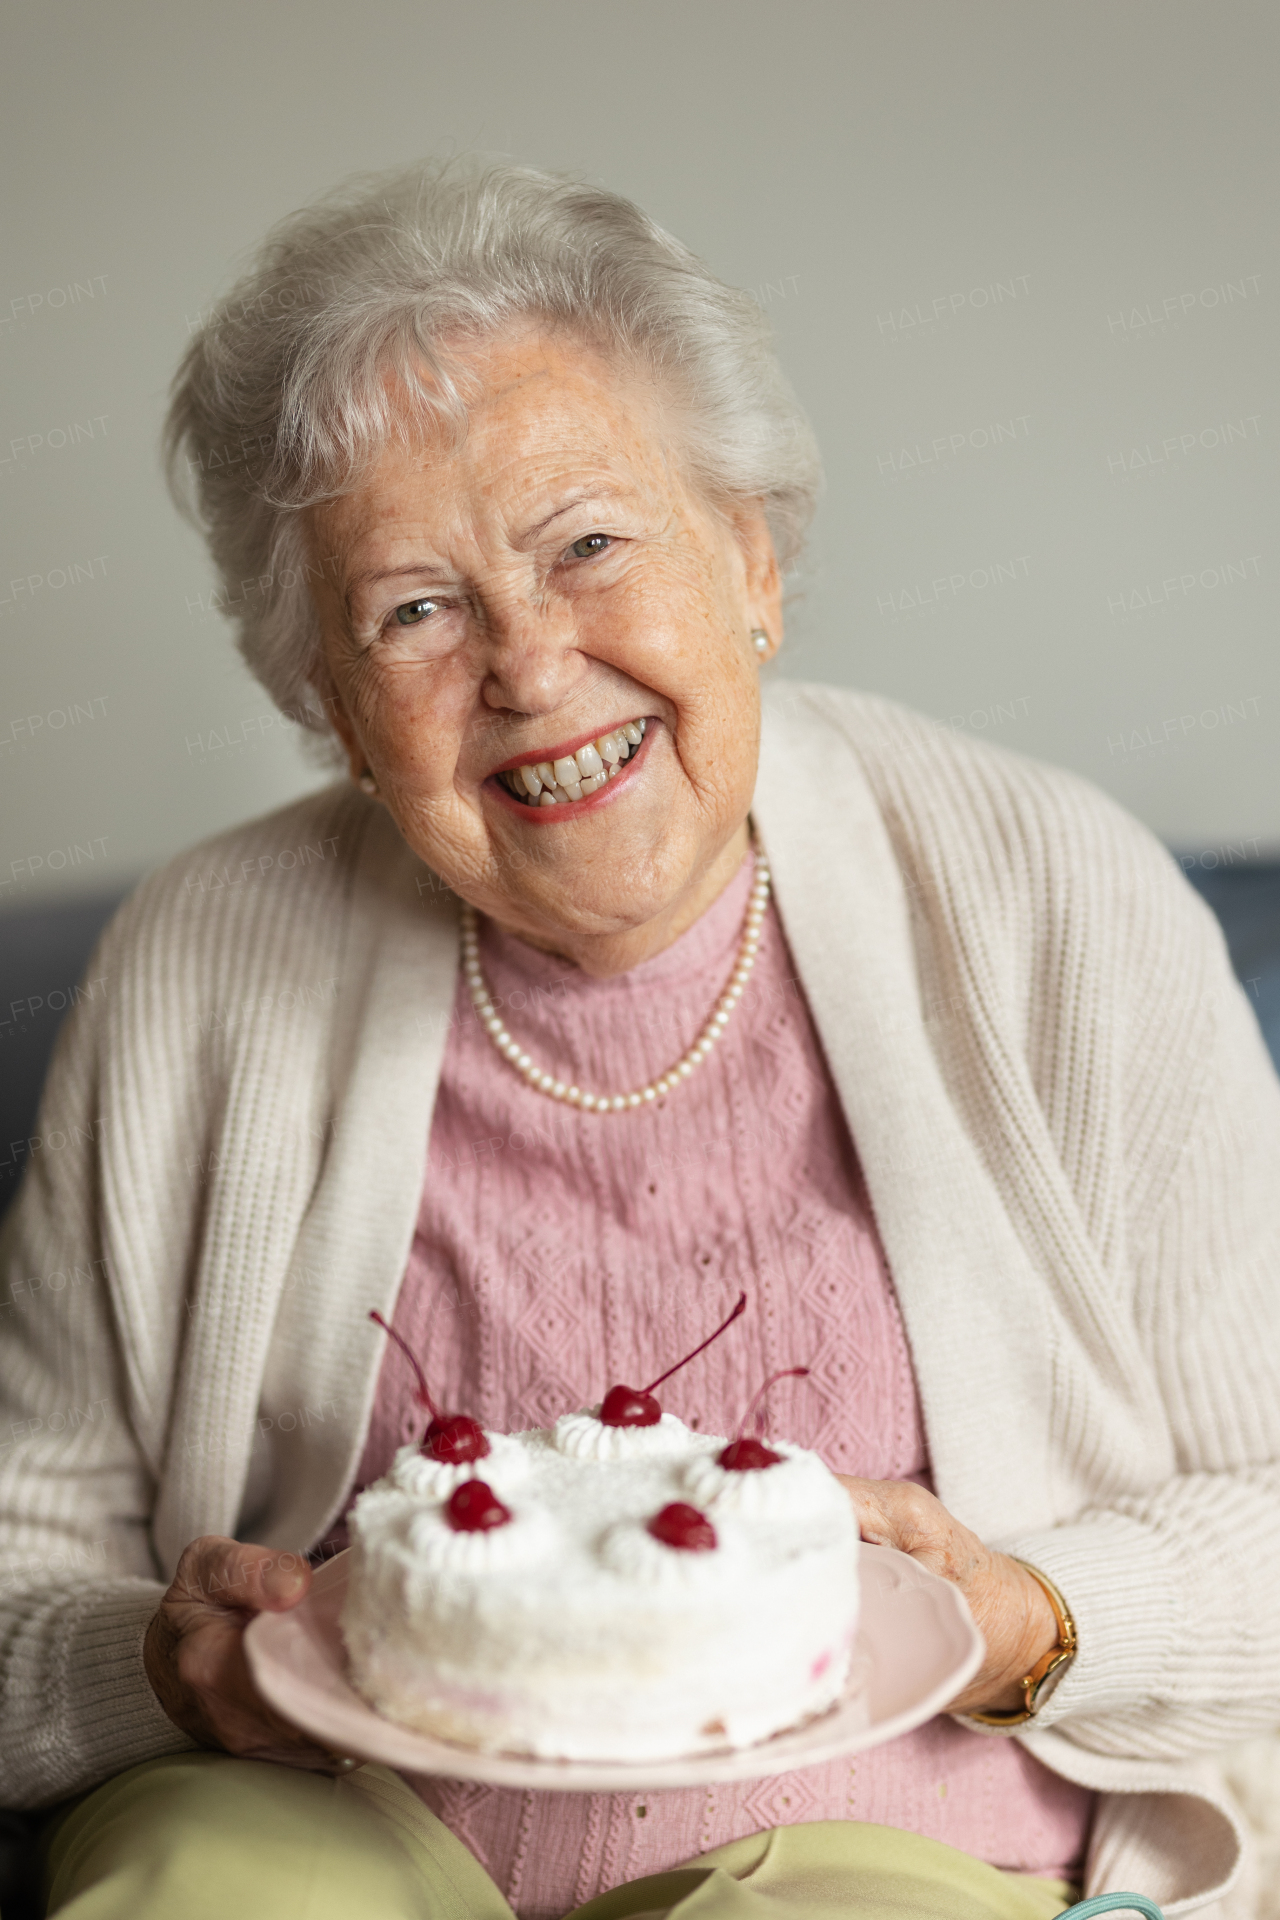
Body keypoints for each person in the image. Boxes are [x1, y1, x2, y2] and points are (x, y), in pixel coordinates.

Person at [1, 159, 1277, 1920]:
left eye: (589, 543)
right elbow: (19, 1558)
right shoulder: (196, 967)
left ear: (749, 554)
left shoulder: (1050, 895)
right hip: (326, 1826)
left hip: (888, 1846)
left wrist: (1037, 1616)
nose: (530, 663)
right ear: (330, 705)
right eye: (415, 610)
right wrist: (146, 1665)